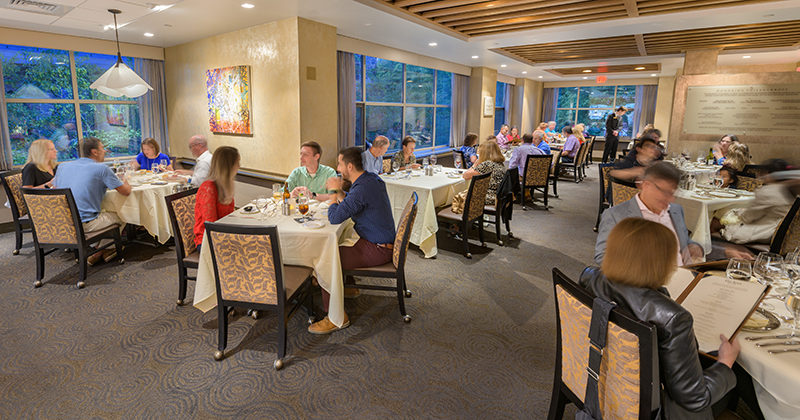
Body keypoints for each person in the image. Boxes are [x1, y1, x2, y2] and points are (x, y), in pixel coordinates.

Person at [581, 218, 739, 420]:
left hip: (602, 382)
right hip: (653, 410)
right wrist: (725, 363)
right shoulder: (673, 318)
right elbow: (695, 399)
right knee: (735, 382)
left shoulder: (589, 277)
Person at [309, 147, 396, 334]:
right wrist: (340, 194)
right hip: (379, 241)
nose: (337, 168)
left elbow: (335, 217)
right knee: (338, 245)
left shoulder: (362, 188)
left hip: (378, 248)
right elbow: (354, 202)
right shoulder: (370, 180)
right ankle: (347, 289)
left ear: (349, 166)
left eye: (339, 164)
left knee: (325, 260)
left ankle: (335, 317)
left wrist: (333, 192)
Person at [595, 162, 703, 265]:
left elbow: (686, 241)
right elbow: (602, 257)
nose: (671, 199)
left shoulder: (676, 210)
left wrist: (694, 246)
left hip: (684, 278)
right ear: (646, 185)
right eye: (665, 193)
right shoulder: (616, 216)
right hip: (642, 281)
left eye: (673, 193)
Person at [54, 137, 131, 265]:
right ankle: (101, 251)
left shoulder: (63, 166)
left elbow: (55, 188)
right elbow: (126, 191)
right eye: (102, 148)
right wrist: (125, 178)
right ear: (94, 152)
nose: (105, 151)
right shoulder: (101, 168)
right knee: (124, 213)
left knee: (101, 210)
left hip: (63, 222)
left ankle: (102, 247)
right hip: (85, 224)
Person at [712, 159, 799, 245]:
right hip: (788, 236)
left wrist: (735, 213)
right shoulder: (790, 189)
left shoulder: (769, 191)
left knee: (714, 221)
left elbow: (747, 218)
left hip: (766, 233)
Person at [193, 146, 239, 252]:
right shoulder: (209, 188)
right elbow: (210, 225)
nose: (239, 166)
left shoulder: (224, 185)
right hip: (207, 240)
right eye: (237, 162)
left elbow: (228, 214)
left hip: (222, 234)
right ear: (228, 166)